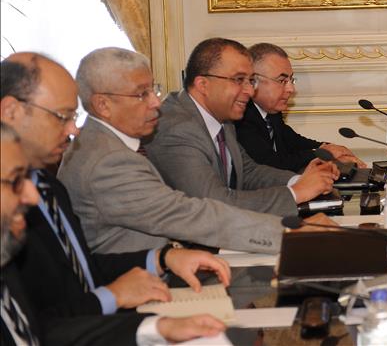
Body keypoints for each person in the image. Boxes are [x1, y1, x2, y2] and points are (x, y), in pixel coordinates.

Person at [0, 65, 226, 344]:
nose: (74, 129)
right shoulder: (17, 209)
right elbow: (43, 320)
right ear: (10, 111)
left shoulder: (48, 186)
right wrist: (112, 296)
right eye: (62, 116)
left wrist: (162, 259)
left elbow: (78, 267)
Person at [57, 47, 285, 255]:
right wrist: (287, 235)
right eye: (141, 94)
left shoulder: (103, 143)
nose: (156, 103)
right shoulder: (109, 162)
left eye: (153, 90)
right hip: (137, 280)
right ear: (103, 105)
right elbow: (188, 216)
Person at [145, 38, 338, 216]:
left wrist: (300, 181)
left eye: (251, 81)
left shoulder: (222, 117)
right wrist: (295, 193)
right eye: (239, 80)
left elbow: (247, 172)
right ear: (203, 84)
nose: (249, 91)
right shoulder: (176, 128)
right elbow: (213, 203)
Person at [236, 42, 366, 172]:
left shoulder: (271, 111)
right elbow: (270, 163)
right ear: (253, 81)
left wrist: (330, 148)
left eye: (291, 80)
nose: (291, 89)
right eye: (282, 81)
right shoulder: (240, 116)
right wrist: (324, 154)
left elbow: (293, 141)